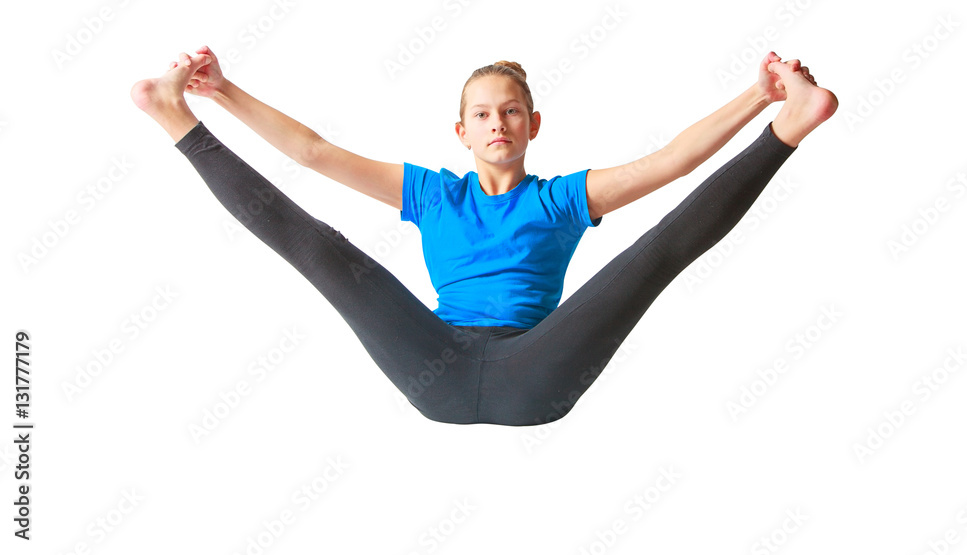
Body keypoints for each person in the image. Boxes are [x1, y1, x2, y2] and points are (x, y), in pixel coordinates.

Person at [129, 47, 837, 426]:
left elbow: (673, 161)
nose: (497, 122)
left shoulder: (562, 199)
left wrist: (761, 95)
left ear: (533, 125)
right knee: (325, 250)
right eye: (482, 113)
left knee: (656, 252)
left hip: (539, 372)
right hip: (431, 364)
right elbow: (313, 152)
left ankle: (793, 124)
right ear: (461, 131)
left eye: (512, 111)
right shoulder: (433, 194)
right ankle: (174, 118)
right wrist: (222, 92)